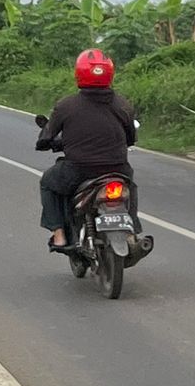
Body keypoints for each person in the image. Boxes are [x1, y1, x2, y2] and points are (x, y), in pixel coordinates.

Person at [36, 48, 136, 251]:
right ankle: (132, 233)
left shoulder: (66, 105)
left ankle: (59, 235)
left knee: (47, 182)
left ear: (78, 74)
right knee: (129, 187)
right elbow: (131, 139)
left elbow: (46, 137)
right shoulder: (123, 104)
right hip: (118, 169)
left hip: (78, 170)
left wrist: (47, 143)